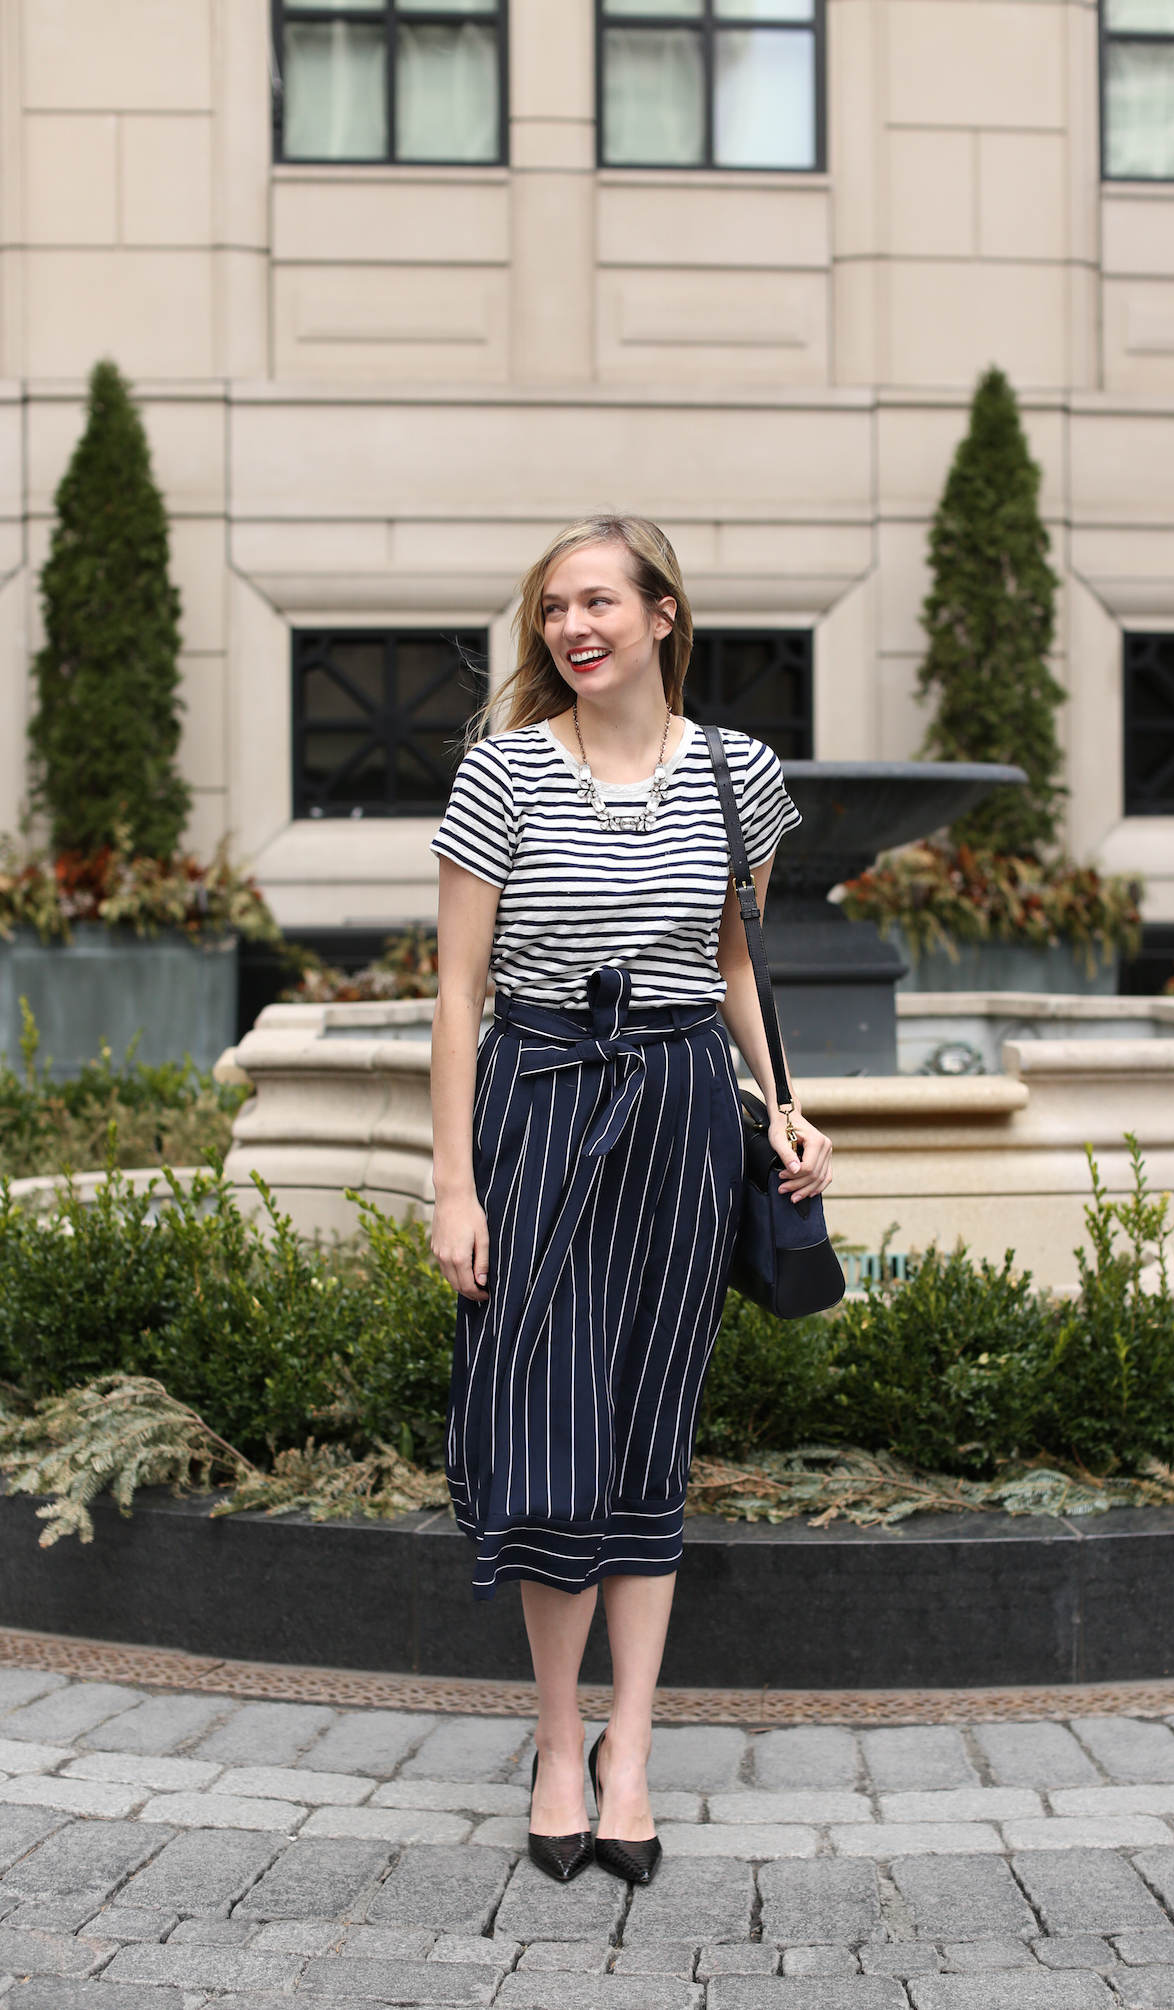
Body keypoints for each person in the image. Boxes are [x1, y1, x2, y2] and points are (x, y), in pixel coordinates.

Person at [428, 515, 834, 1886]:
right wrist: (453, 1183)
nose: (571, 628)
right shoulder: (503, 778)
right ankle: (555, 1742)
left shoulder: (738, 774)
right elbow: (456, 993)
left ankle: (634, 1752)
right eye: (552, 608)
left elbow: (734, 970)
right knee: (551, 1439)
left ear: (665, 614)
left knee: (648, 1433)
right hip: (539, 1103)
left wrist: (786, 1102)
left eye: (597, 601)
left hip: (674, 1118)